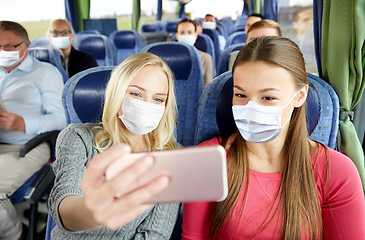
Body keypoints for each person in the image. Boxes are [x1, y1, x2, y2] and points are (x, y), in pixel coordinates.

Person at [181, 37, 365, 239]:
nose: (251, 108)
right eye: (241, 95)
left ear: (299, 96)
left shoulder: (337, 172)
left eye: (267, 98)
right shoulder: (206, 161)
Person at [48, 52, 180, 239]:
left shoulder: (172, 156)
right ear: (117, 95)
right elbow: (65, 203)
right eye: (136, 94)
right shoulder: (78, 137)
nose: (147, 105)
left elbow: (155, 234)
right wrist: (93, 212)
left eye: (158, 99)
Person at [0, 20, 66, 240]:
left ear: (27, 45)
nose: (4, 52)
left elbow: (61, 119)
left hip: (29, 146)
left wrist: (24, 123)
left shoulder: (46, 73)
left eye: (11, 46)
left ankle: (16, 235)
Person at [176, 19, 213, 87]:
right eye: (182, 33)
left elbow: (208, 90)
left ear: (195, 36)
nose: (186, 35)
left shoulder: (206, 58)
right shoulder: (169, 58)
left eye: (189, 32)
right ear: (177, 36)